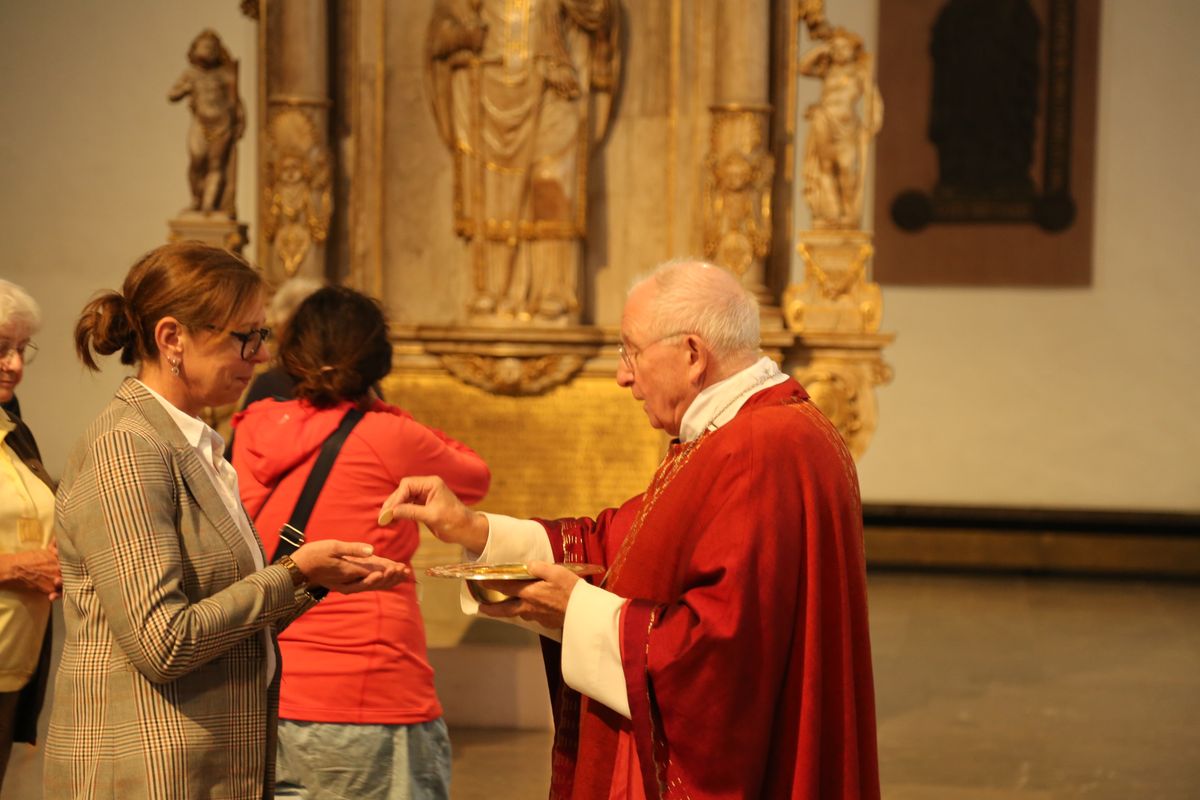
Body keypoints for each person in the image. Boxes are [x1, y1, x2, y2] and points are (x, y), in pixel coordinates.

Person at [382, 260, 880, 799]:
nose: (624, 375)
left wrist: (576, 611)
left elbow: (718, 657)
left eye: (632, 351)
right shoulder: (754, 432)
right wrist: (471, 528)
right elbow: (620, 541)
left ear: (692, 355)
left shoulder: (756, 449)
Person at [44, 242, 409, 800]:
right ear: (172, 339)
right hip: (148, 769)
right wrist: (291, 574)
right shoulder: (127, 447)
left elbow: (224, 620)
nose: (261, 358)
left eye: (262, 336)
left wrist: (312, 580)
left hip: (205, 762)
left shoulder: (190, 445)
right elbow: (163, 643)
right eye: (245, 337)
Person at [232, 285, 492, 800]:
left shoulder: (255, 426)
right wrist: (388, 412)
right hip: (369, 690)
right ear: (377, 359)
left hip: (267, 693)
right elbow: (472, 476)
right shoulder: (389, 435)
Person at [426, 0, 621, 323]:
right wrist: (462, 38)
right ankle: (493, 289)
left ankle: (553, 290)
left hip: (556, 87)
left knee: (553, 182)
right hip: (488, 83)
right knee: (492, 191)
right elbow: (442, 34)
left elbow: (599, 11)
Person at [0, 279, 59, 792]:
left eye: (21, 350)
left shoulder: (12, 426)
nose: (15, 365)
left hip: (12, 667)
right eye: (1, 349)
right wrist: (16, 568)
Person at [798, 27, 883, 230]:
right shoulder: (828, 70)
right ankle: (832, 213)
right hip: (825, 120)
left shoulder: (859, 72)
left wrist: (872, 125)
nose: (839, 52)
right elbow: (802, 68)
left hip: (847, 126)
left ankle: (848, 213)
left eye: (844, 48)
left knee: (847, 168)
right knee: (825, 167)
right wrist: (821, 50)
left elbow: (873, 98)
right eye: (836, 48)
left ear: (853, 51)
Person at [168, 28, 245, 216]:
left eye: (212, 48)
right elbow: (172, 94)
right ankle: (197, 199)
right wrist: (186, 88)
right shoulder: (191, 74)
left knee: (216, 165)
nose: (208, 51)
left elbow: (236, 102)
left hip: (222, 124)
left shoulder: (226, 75)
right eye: (204, 47)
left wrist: (241, 122)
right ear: (194, 50)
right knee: (197, 160)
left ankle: (209, 205)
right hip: (200, 124)